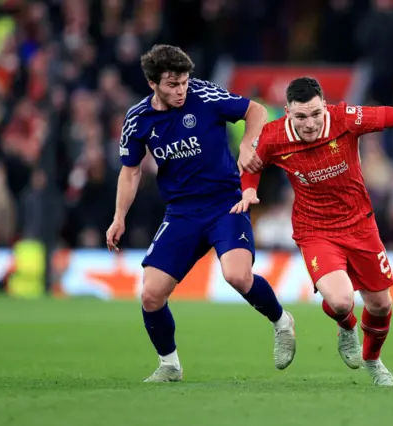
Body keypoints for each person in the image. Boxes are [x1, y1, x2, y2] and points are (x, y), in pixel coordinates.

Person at [232, 77, 393, 386]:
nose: (310, 123)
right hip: (315, 228)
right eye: (301, 116)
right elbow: (252, 167)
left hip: (360, 223)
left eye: (316, 113)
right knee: (343, 301)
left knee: (381, 305)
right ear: (288, 113)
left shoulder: (345, 118)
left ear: (324, 105)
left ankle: (373, 360)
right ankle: (347, 327)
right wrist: (249, 191)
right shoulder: (273, 136)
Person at [105, 45, 296, 382]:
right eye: (172, 85)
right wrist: (119, 217)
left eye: (183, 82)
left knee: (237, 276)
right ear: (153, 84)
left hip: (226, 203)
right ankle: (170, 365)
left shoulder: (204, 95)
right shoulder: (137, 119)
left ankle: (282, 321)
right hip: (181, 213)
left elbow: (255, 111)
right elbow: (130, 171)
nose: (181, 91)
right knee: (151, 294)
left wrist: (248, 145)